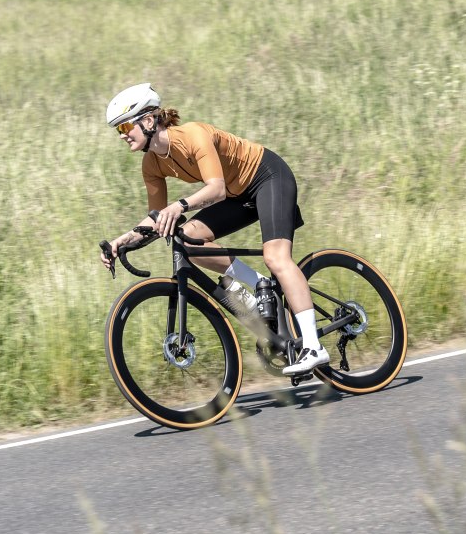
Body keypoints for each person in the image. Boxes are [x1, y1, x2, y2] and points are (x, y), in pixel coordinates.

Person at [97, 83, 330, 375]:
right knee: (190, 239)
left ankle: (314, 346)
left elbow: (216, 189)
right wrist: (123, 242)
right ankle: (260, 285)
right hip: (238, 196)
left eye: (124, 127)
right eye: (118, 131)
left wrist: (179, 205)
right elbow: (157, 219)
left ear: (147, 120)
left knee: (276, 257)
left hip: (267, 177)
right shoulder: (151, 164)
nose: (122, 136)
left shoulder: (193, 135)